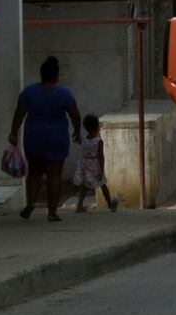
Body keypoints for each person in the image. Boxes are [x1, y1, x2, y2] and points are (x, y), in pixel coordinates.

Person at [9, 56, 81, 222]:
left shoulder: (28, 92)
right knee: (54, 175)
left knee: (34, 173)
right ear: (56, 76)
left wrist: (13, 132)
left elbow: (19, 115)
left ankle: (31, 203)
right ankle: (52, 212)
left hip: (34, 137)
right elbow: (75, 115)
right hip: (57, 138)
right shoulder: (64, 93)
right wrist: (77, 131)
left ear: (41, 74)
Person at [73, 114, 118, 213]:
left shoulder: (84, 139)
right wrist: (101, 169)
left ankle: (79, 205)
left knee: (84, 186)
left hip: (85, 165)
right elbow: (101, 156)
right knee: (103, 185)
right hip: (95, 165)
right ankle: (110, 204)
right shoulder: (99, 141)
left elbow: (79, 142)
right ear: (96, 127)